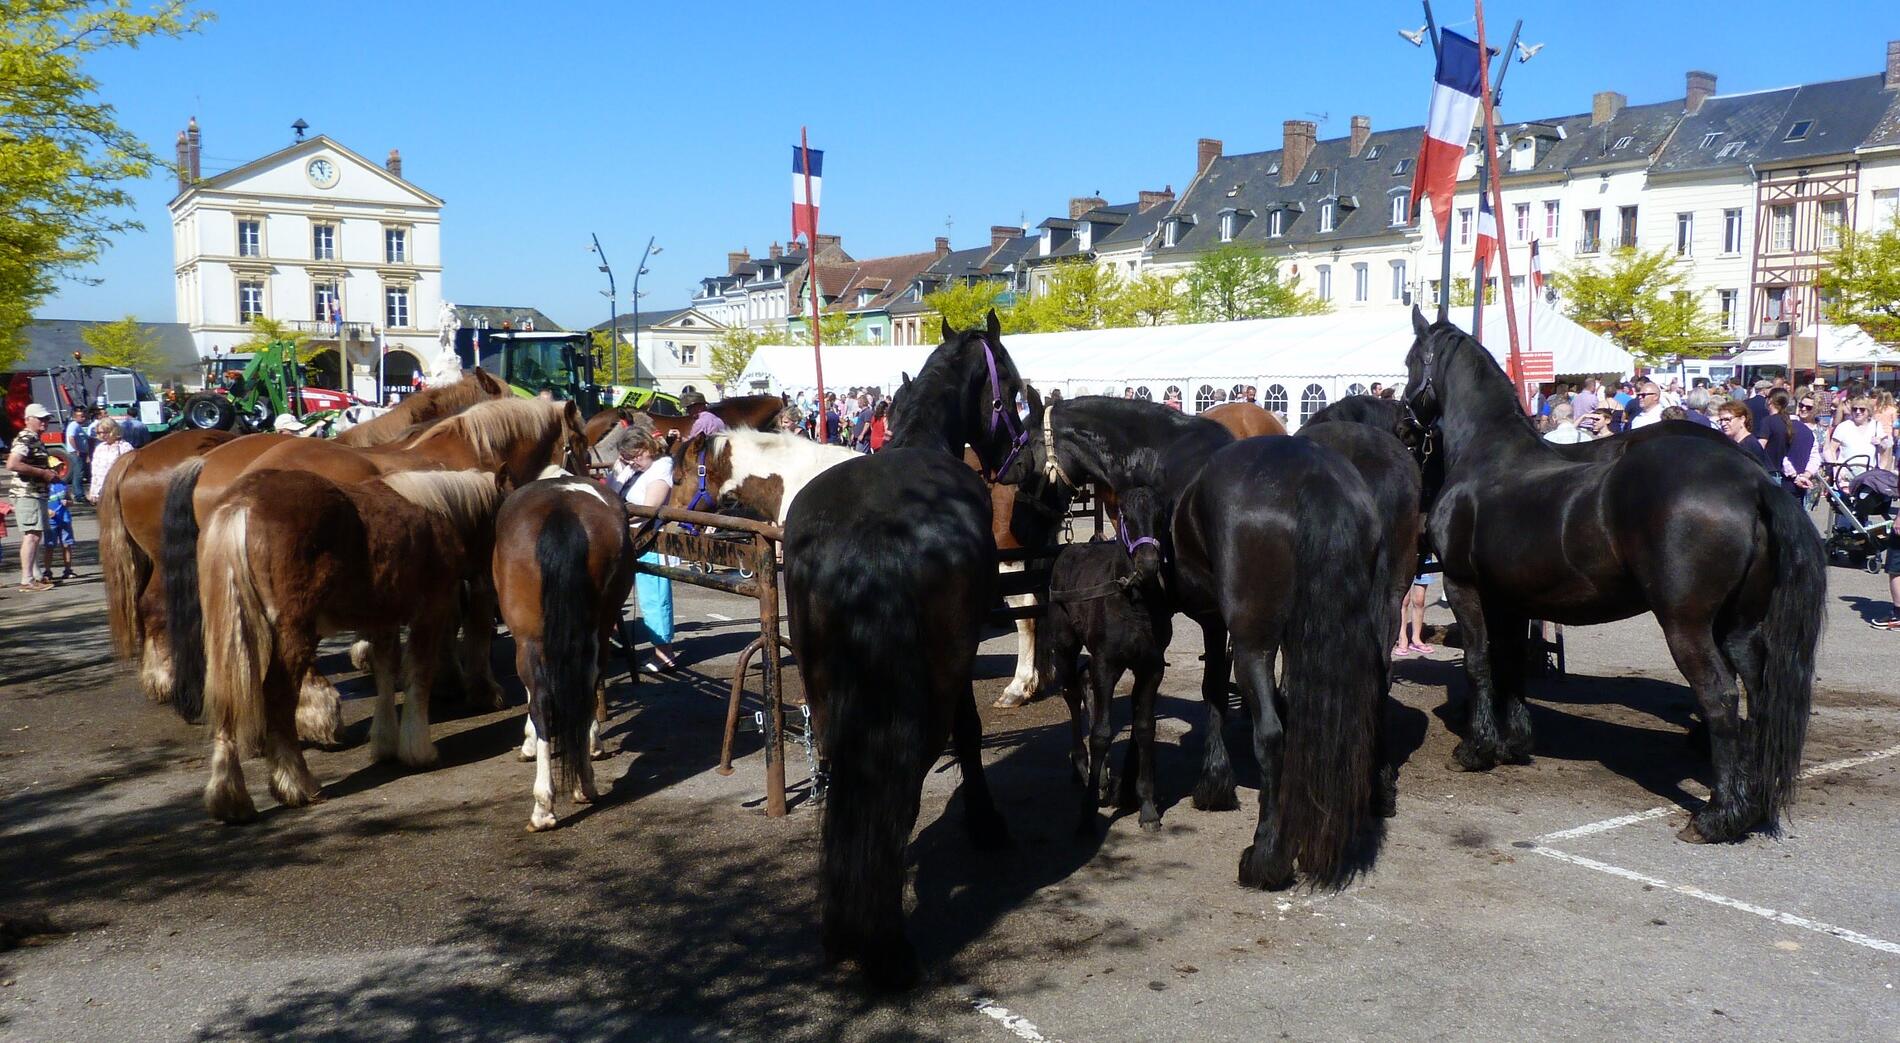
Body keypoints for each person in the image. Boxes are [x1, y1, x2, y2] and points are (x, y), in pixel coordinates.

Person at [615, 432, 679, 673]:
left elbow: (649, 508)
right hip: (630, 538)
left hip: (651, 539)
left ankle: (665, 654)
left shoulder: (661, 467)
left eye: (635, 456)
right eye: (628, 457)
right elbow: (613, 489)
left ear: (646, 448)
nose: (633, 461)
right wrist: (621, 468)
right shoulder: (635, 468)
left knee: (655, 596)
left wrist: (615, 513)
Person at [7, 403, 60, 592]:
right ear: (28, 419)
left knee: (35, 535)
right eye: (40, 418)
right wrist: (42, 473)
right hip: (27, 493)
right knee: (32, 535)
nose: (45, 422)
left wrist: (48, 473)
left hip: (35, 493)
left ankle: (35, 576)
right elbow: (12, 464)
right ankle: (27, 580)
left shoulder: (35, 438)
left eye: (46, 418)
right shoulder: (25, 438)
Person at [1715, 401, 1772, 473]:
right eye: (1721, 420)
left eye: (1727, 419)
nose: (1723, 424)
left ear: (1742, 419)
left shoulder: (1750, 446)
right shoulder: (1733, 444)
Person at [1394, 563, 1435, 657]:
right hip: (1403, 557)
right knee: (1404, 600)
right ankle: (1402, 638)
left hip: (1423, 558)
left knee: (1419, 600)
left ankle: (1416, 639)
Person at [43, 480, 76, 580]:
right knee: (50, 546)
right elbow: (40, 502)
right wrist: (47, 510)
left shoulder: (63, 484)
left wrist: (68, 502)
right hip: (51, 521)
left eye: (59, 468)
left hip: (64, 519)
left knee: (67, 545)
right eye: (54, 469)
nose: (56, 472)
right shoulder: (44, 485)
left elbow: (71, 501)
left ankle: (68, 570)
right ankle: (47, 571)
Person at [63, 407, 92, 496]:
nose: (84, 418)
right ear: (75, 417)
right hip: (76, 454)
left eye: (84, 416)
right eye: (81, 416)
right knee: (78, 473)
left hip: (80, 453)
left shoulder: (78, 426)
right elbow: (71, 438)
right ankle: (78, 495)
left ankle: (79, 493)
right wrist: (76, 450)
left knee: (80, 473)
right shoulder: (73, 425)